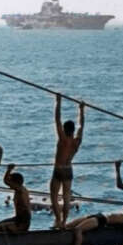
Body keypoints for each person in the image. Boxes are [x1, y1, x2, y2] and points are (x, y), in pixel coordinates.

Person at [49, 95, 84, 228]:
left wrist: (58, 101)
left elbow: (57, 119)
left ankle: (58, 220)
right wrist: (81, 109)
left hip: (58, 169)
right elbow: (81, 125)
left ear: (64, 129)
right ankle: (64, 222)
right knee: (66, 198)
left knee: (54, 196)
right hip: (68, 170)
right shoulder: (77, 141)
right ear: (73, 130)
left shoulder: (63, 139)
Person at [0, 164, 32, 234]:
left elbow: (6, 181)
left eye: (11, 182)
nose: (9, 186)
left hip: (22, 222)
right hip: (18, 219)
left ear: (15, 183)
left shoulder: (20, 190)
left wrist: (9, 169)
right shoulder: (23, 189)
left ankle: (15, 229)